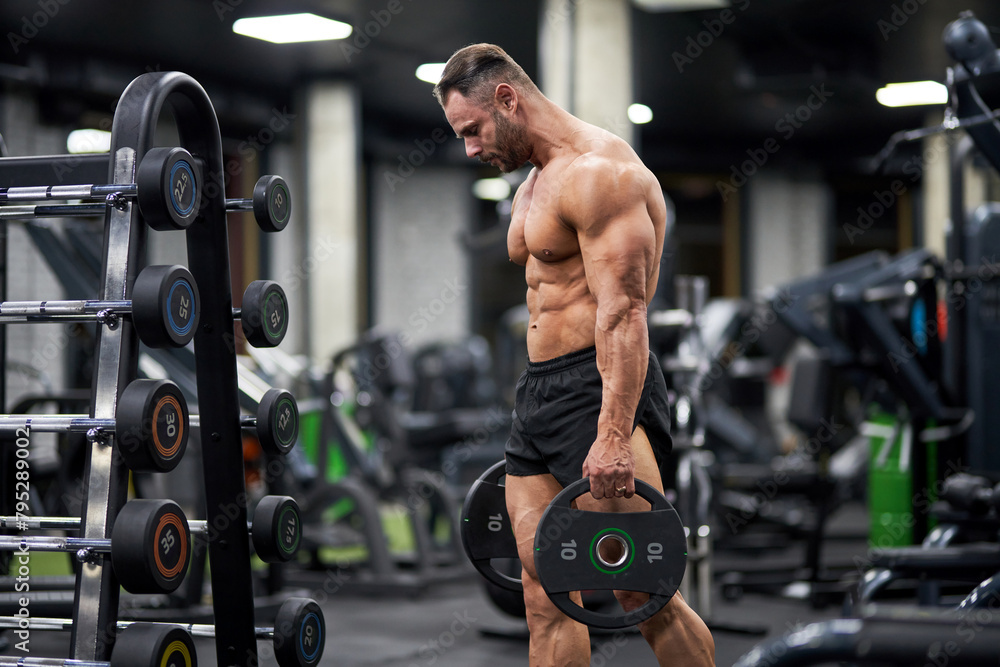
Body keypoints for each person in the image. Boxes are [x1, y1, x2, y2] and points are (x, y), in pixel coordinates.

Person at [433, 44, 715, 666]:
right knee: (545, 592)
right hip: (538, 392)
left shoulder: (601, 175)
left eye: (473, 131)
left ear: (507, 99)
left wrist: (614, 433)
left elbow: (624, 312)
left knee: (643, 587)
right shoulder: (533, 185)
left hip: (600, 388)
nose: (471, 149)